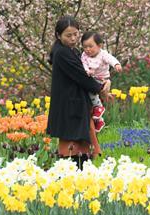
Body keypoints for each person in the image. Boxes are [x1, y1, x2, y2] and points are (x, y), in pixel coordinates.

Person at [45, 15, 111, 169]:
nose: (73, 38)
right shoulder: (62, 53)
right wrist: (101, 89)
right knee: (73, 147)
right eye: (69, 35)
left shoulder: (67, 50)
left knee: (78, 143)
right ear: (58, 35)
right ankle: (76, 182)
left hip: (71, 103)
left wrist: (104, 82)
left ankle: (78, 180)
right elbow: (81, 76)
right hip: (70, 104)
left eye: (76, 34)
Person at [80, 31, 122, 133]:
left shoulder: (102, 54)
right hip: (92, 78)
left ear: (99, 46)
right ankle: (99, 120)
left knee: (92, 93)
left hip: (103, 79)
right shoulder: (84, 55)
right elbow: (83, 64)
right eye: (85, 47)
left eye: (90, 46)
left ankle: (99, 108)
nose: (88, 49)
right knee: (90, 93)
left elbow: (110, 59)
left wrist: (116, 64)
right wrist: (87, 71)